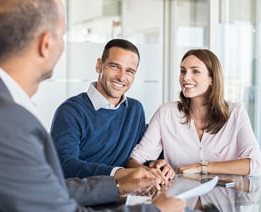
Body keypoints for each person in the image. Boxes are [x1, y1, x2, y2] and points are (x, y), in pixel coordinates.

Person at [0, 0, 185, 211]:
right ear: (46, 43)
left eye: (130, 71)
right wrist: (154, 209)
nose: (121, 76)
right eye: (63, 35)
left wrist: (120, 182)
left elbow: (46, 191)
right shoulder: (6, 119)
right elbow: (56, 203)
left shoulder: (3, 106)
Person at [50, 38, 175, 181]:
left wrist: (153, 165)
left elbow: (135, 156)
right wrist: (119, 173)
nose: (121, 77)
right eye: (114, 66)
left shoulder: (135, 109)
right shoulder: (71, 111)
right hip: (83, 198)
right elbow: (64, 165)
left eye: (129, 71)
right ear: (99, 65)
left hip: (126, 194)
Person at [127, 49, 261, 177]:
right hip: (179, 200)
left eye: (195, 71)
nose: (185, 77)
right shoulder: (166, 114)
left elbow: (256, 165)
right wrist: (152, 173)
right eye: (183, 71)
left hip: (224, 199)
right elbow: (134, 160)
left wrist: (202, 167)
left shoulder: (235, 113)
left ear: (212, 79)